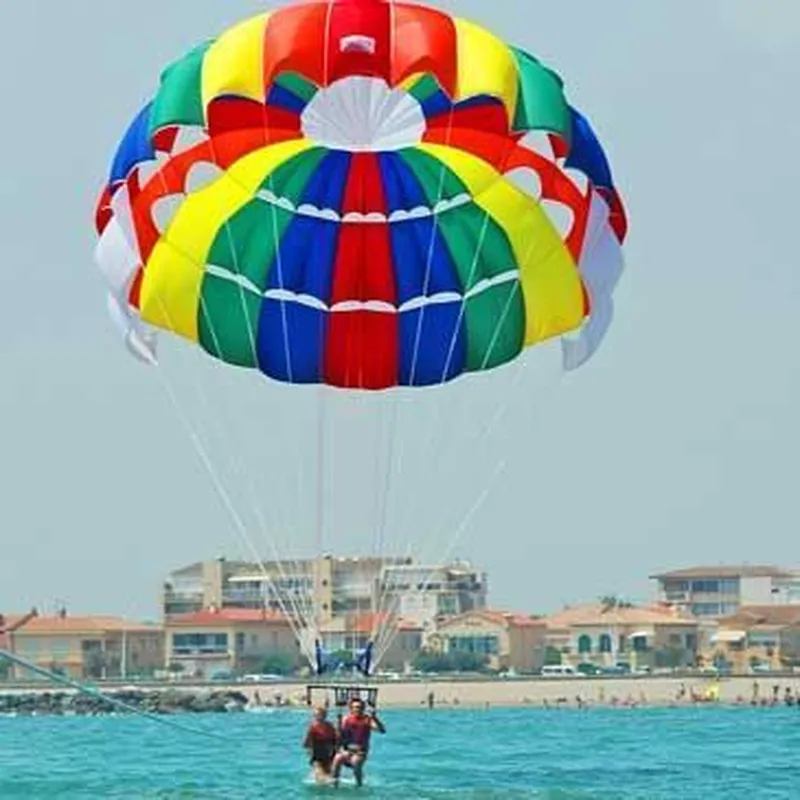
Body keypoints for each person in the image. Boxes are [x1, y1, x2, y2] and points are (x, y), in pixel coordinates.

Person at [332, 697, 386, 787]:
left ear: (363, 708)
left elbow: (382, 730)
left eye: (360, 707)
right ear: (351, 709)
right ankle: (334, 784)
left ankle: (359, 785)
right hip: (347, 750)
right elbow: (338, 734)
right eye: (355, 707)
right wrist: (338, 722)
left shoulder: (367, 720)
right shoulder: (346, 719)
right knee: (337, 759)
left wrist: (375, 718)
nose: (358, 709)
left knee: (355, 761)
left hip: (360, 752)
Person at [303, 706, 339, 783]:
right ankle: (319, 792)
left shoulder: (330, 726)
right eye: (316, 715)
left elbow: (336, 739)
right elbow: (306, 743)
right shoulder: (313, 727)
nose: (319, 717)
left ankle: (326, 792)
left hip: (329, 753)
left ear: (325, 716)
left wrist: (337, 750)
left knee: (328, 774)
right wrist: (309, 750)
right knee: (320, 773)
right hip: (317, 754)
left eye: (321, 715)